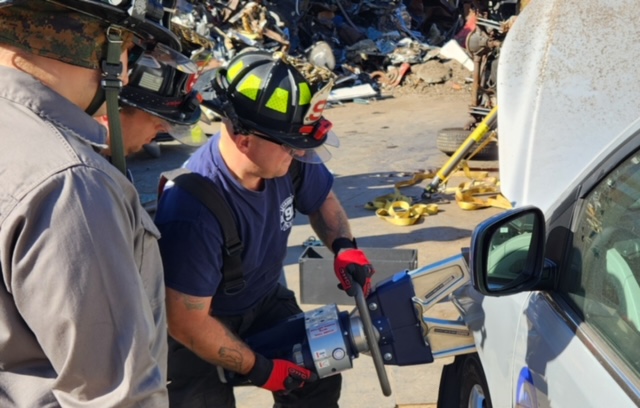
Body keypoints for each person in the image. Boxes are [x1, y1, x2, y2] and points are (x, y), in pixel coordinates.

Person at [154, 50, 376, 407]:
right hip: (200, 322)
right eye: (291, 147)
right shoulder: (191, 210)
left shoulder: (284, 159)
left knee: (320, 373)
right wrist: (262, 369)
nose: (299, 154)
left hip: (262, 300)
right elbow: (185, 322)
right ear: (245, 140)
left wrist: (344, 245)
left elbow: (322, 200)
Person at [0, 1, 182, 406]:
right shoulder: (70, 184)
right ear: (95, 43)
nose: (129, 69)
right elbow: (115, 396)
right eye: (128, 48)